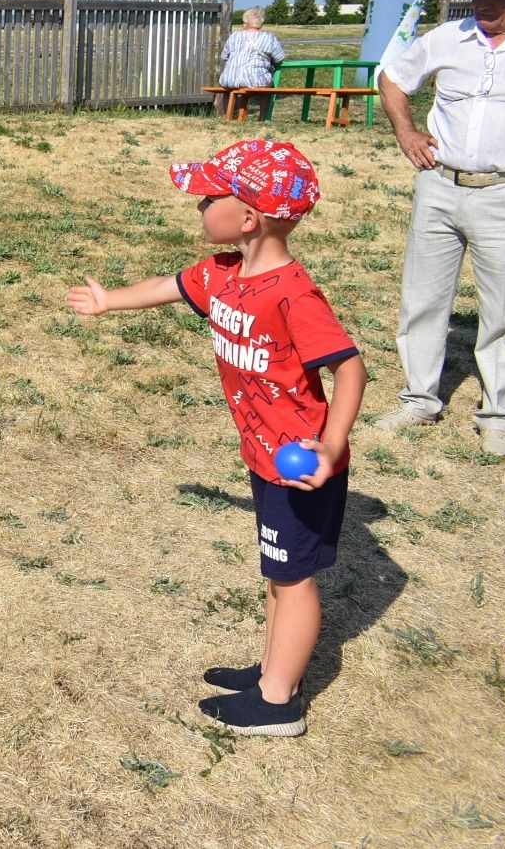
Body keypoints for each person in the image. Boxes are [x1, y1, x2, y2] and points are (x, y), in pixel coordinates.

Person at [66, 140, 366, 736]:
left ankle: (278, 703)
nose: (200, 202)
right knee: (276, 572)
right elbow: (167, 287)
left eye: (209, 196)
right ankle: (272, 670)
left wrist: (330, 447)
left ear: (249, 218)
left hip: (299, 463)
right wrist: (108, 302)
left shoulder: (291, 293)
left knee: (293, 578)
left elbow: (349, 367)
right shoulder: (226, 275)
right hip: (262, 452)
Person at [374, 0, 505, 457]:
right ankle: (418, 399)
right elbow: (393, 79)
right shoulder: (447, 38)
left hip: (501, 192)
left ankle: (497, 414)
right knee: (424, 296)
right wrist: (406, 132)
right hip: (440, 184)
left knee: (501, 307)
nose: (483, 1)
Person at [215, 8, 288, 119]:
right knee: (267, 87)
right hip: (254, 79)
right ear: (261, 23)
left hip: (229, 79)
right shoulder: (269, 38)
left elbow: (224, 56)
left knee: (227, 88)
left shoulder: (234, 36)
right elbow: (280, 58)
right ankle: (262, 117)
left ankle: (226, 115)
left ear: (245, 23)